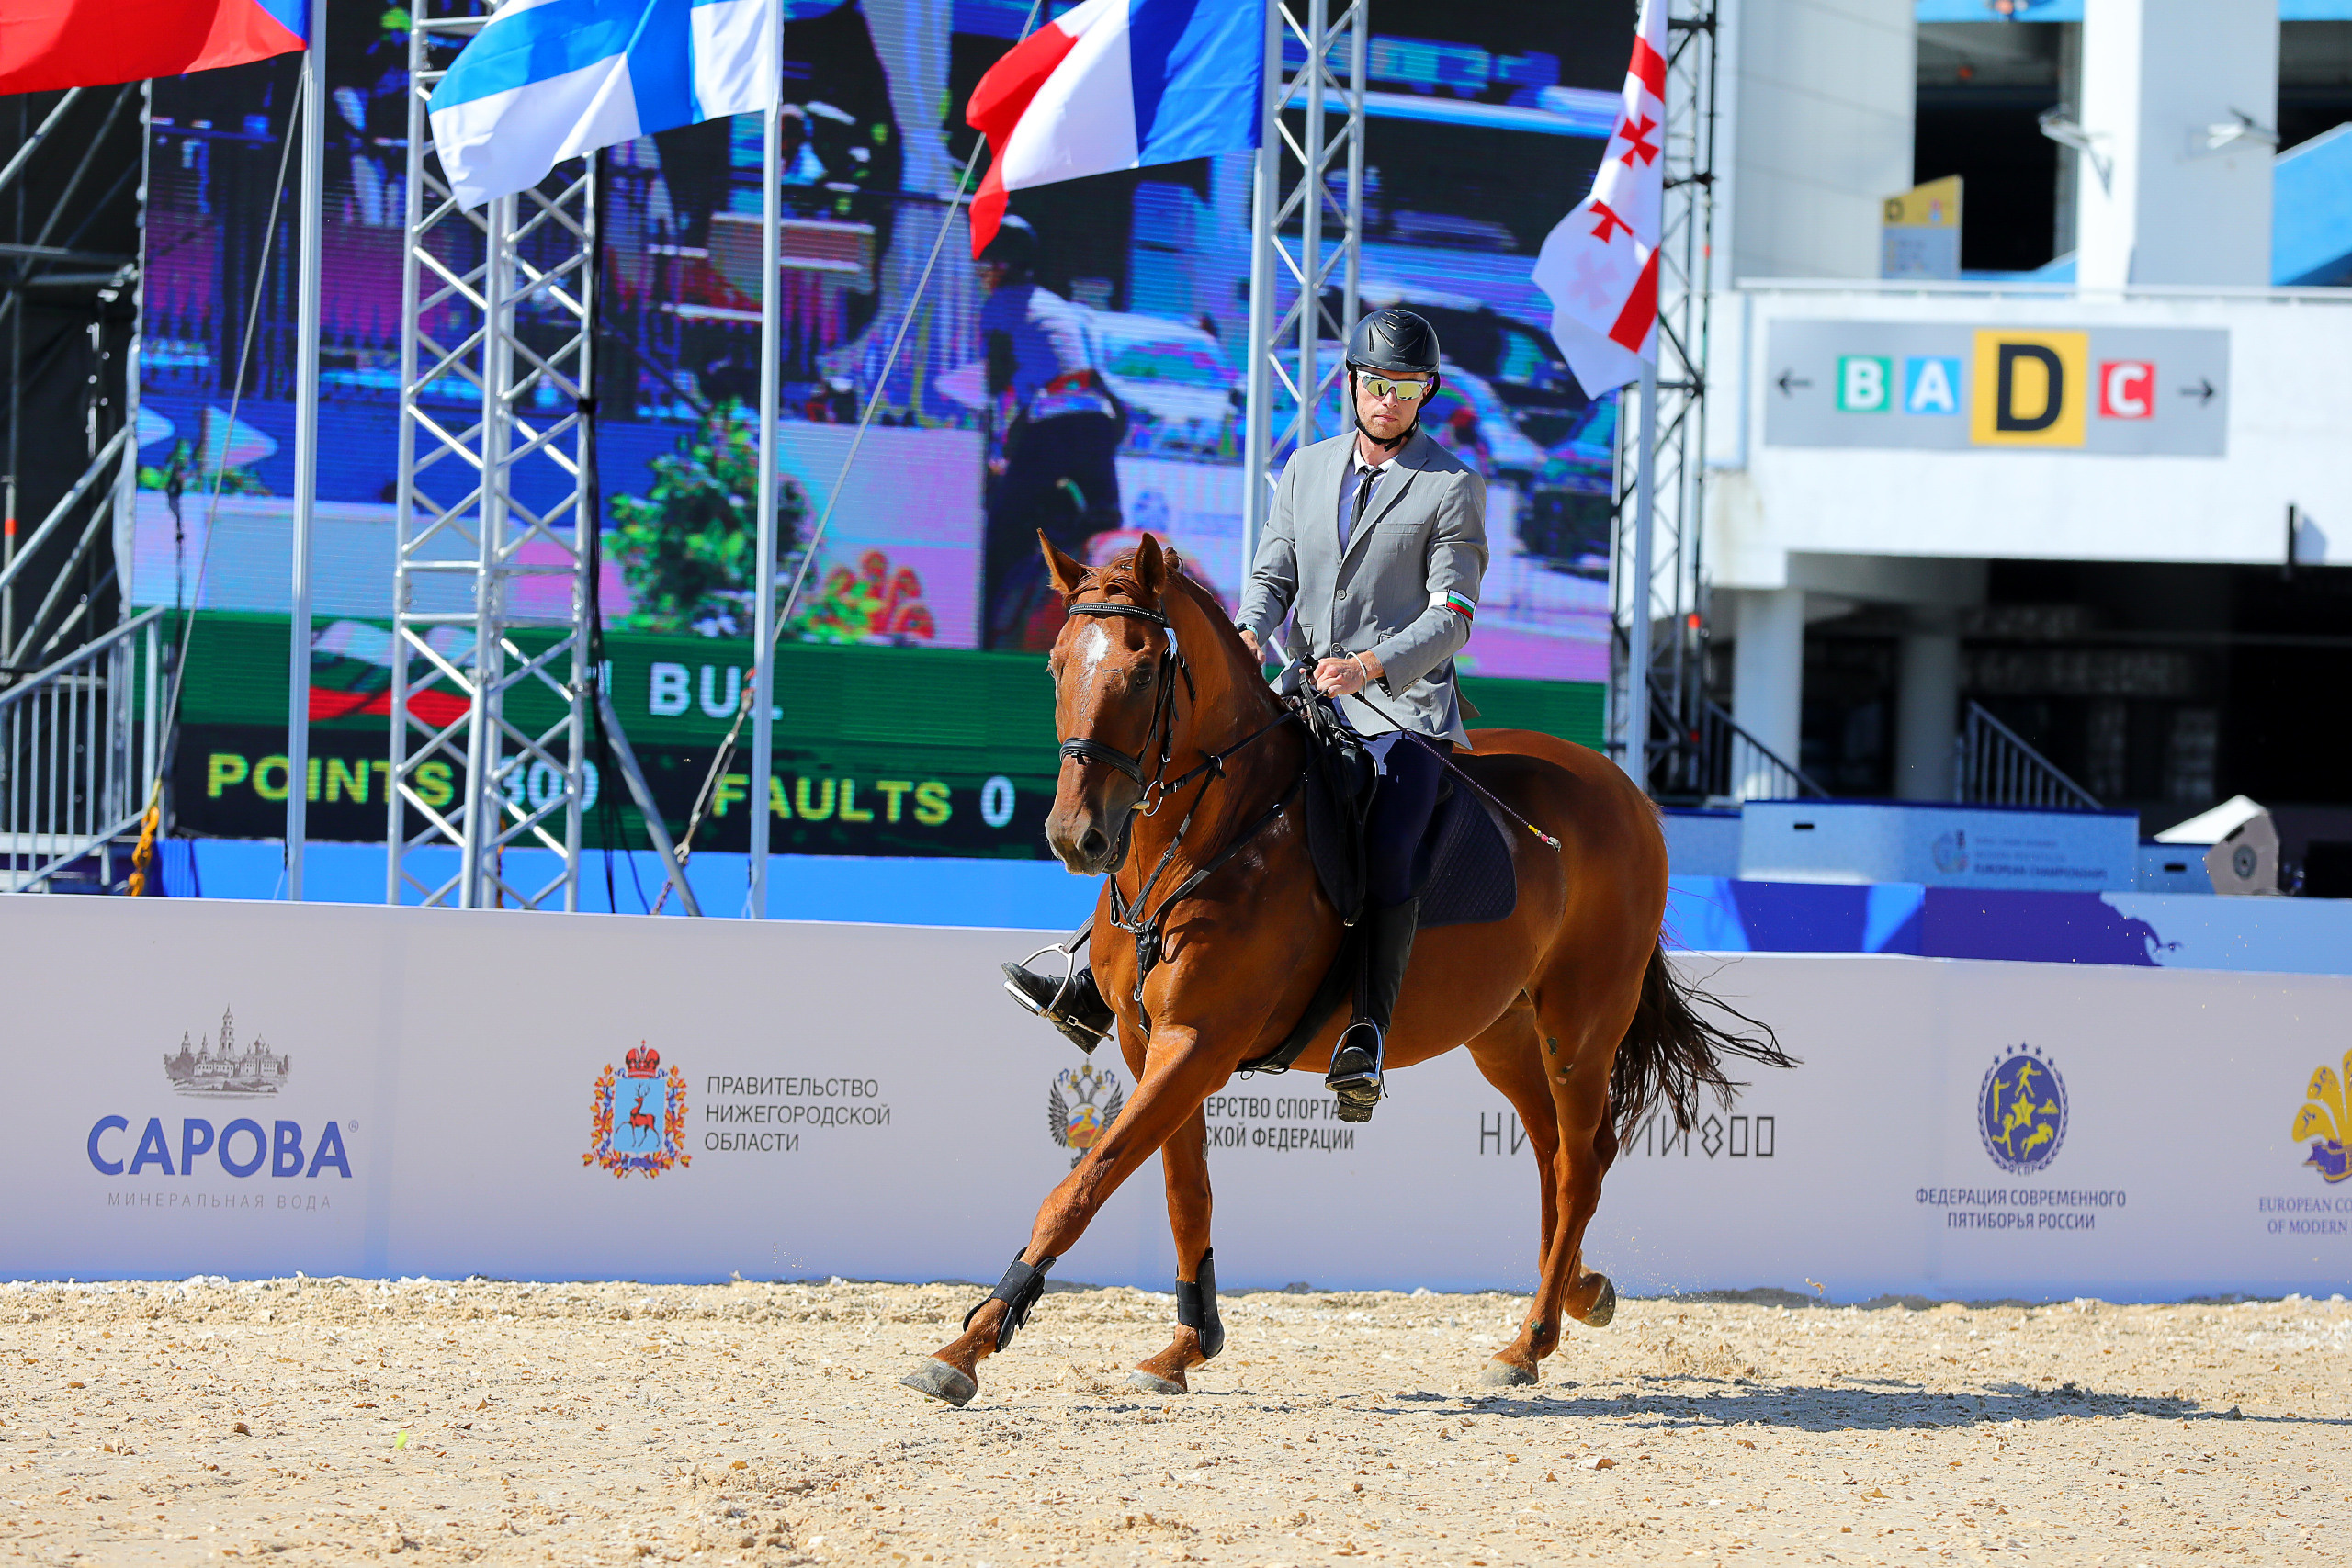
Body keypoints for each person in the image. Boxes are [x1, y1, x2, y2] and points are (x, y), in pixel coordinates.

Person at [1004, 309, 1488, 1123]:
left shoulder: (1451, 487)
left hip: (1400, 709)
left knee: (1391, 842)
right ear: (1353, 385)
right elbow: (1270, 578)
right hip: (1304, 690)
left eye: (1405, 389)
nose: (1389, 401)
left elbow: (1454, 616)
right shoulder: (1305, 469)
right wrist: (1249, 636)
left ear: (1426, 393)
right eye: (1377, 385)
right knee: (1176, 785)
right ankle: (1092, 976)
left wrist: (1371, 665)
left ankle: (1365, 1028)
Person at [975, 216, 1125, 649]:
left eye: (992, 264)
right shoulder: (1057, 304)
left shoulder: (1001, 304)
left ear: (1008, 266)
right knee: (1104, 524)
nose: (987, 273)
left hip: (1054, 426)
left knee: (1001, 527)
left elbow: (995, 382)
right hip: (1096, 422)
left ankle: (990, 633)